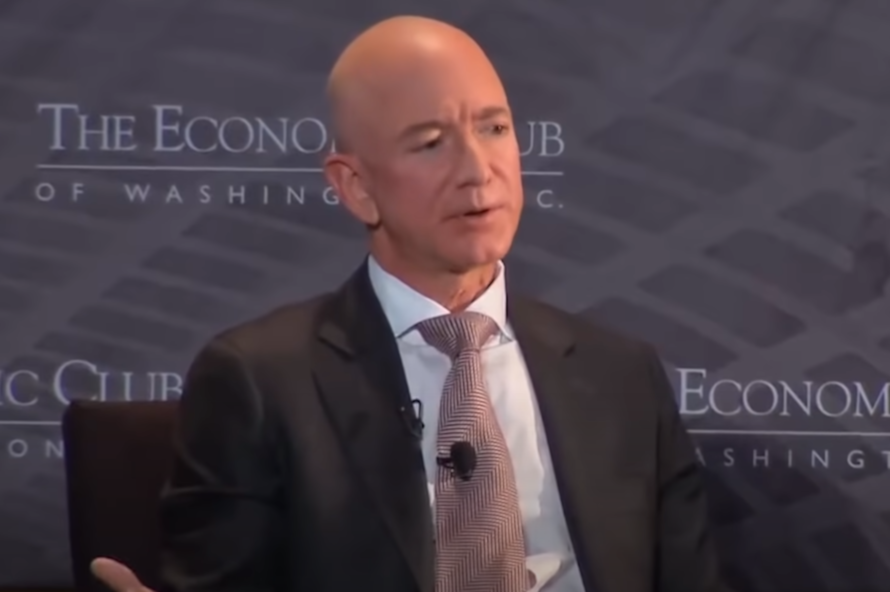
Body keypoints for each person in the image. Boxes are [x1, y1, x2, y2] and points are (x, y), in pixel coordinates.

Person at [91, 15, 731, 592]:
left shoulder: (622, 376)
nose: (478, 169)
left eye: (494, 128)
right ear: (356, 187)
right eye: (430, 143)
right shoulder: (261, 382)